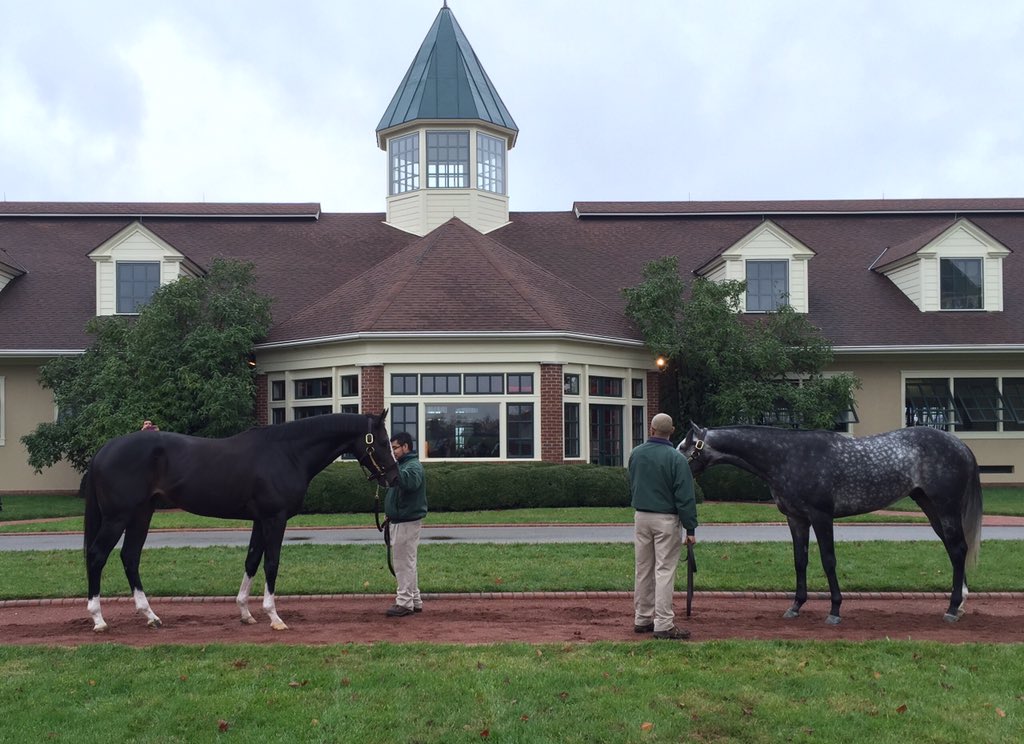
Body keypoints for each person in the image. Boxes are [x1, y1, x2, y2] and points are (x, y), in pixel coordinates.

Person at [628, 412, 698, 640]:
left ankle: (642, 617)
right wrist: (690, 529)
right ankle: (664, 623)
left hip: (641, 516)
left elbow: (632, 482)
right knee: (664, 570)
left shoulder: (636, 454)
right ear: (672, 431)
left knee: (643, 569)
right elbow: (685, 497)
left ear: (651, 429)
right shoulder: (676, 459)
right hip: (666, 519)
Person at [384, 431, 427, 617]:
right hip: (401, 520)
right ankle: (414, 600)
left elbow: (410, 482)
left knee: (402, 563)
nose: (392, 452)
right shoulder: (405, 464)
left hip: (407, 521)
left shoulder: (412, 466)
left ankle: (404, 602)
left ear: (406, 447)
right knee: (408, 562)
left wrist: (391, 467)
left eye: (395, 448)